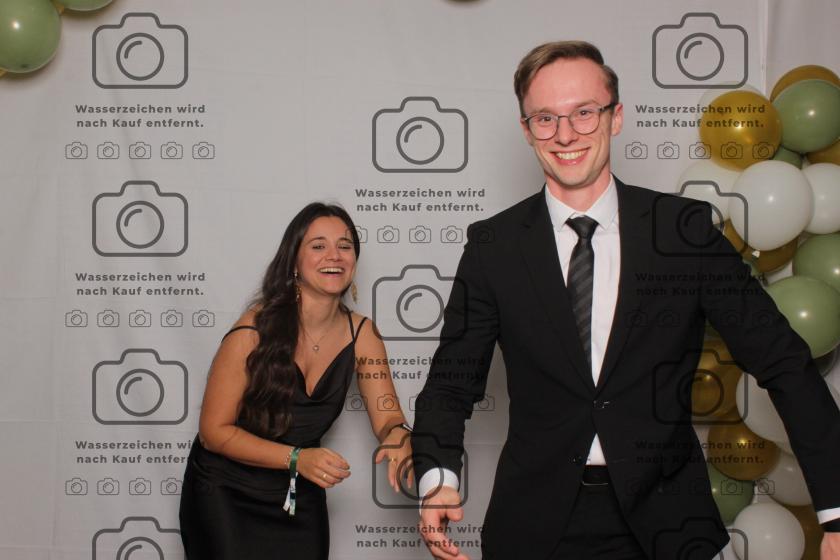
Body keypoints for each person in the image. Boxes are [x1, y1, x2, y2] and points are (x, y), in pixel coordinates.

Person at [411, 41, 840, 560]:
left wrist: (836, 509)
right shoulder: (493, 246)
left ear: (615, 117)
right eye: (545, 118)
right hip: (535, 528)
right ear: (526, 129)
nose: (565, 134)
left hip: (671, 527)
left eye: (584, 113)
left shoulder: (683, 231)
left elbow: (783, 362)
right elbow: (450, 383)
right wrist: (438, 477)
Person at [179, 202, 414, 560]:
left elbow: (388, 417)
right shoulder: (252, 330)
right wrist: (296, 458)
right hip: (226, 492)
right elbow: (213, 432)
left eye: (345, 246)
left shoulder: (364, 334)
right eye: (318, 246)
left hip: (298, 490)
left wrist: (399, 436)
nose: (334, 255)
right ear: (294, 261)